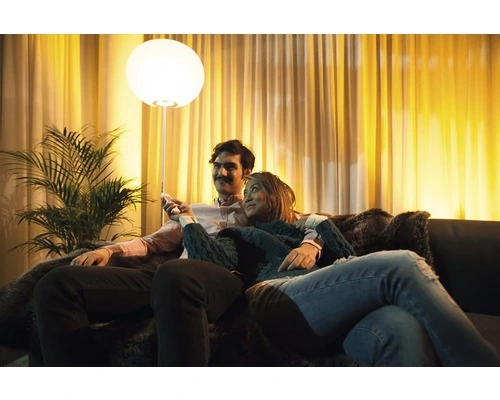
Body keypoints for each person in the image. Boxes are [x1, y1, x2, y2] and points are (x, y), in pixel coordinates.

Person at [152, 172, 500, 367]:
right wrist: (187, 220)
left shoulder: (306, 230)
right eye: (246, 192)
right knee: (403, 263)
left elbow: (347, 256)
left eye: (255, 189)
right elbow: (209, 260)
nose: (248, 196)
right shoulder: (240, 233)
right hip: (273, 298)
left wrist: (315, 226)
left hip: (329, 312)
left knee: (399, 325)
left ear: (278, 195)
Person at [32, 139, 256, 366]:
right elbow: (153, 243)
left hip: (220, 283)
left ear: (247, 173)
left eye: (230, 167)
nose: (221, 172)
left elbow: (280, 233)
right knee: (58, 283)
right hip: (168, 281)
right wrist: (109, 251)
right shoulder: (195, 210)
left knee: (175, 273)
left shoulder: (255, 211)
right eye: (217, 166)